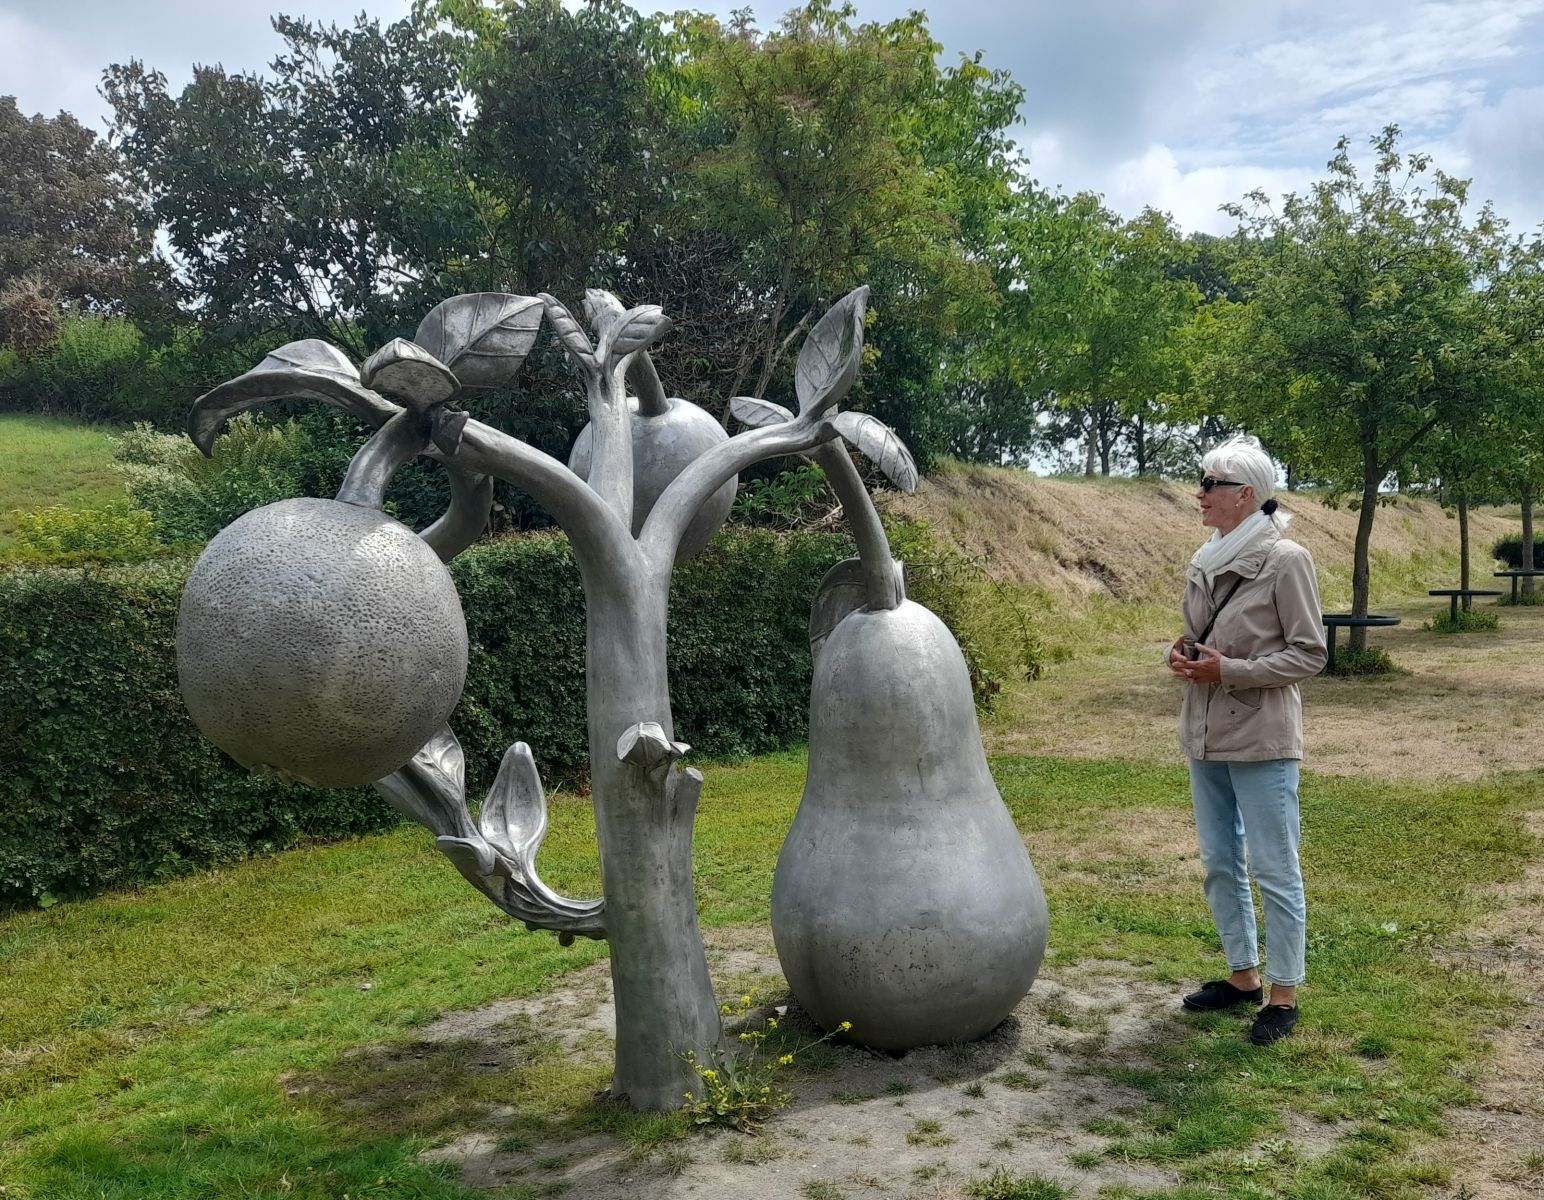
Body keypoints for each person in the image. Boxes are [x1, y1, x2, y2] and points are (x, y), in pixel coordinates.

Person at [1167, 435, 1327, 1046]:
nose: (1200, 493)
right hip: (1205, 733)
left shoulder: (1287, 560)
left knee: (1274, 866)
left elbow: (1309, 654)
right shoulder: (1205, 557)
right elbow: (1200, 637)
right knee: (1219, 861)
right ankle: (1242, 977)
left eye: (1213, 484)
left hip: (1262, 737)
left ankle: (1284, 994)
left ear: (1246, 495)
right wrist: (1181, 655)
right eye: (1202, 481)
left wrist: (1228, 670)